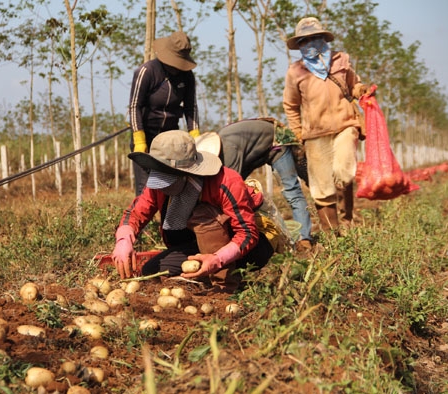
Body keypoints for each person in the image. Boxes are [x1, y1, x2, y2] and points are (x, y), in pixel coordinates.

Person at [111, 130, 274, 292]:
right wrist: (124, 240)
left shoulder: (226, 182)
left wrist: (217, 260)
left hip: (250, 246)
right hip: (197, 245)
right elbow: (137, 212)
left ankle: (225, 288)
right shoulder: (160, 186)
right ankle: (205, 276)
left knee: (203, 214)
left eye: (168, 180)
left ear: (185, 174)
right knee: (151, 271)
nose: (163, 187)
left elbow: (247, 233)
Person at [283, 17, 368, 233]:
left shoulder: (341, 62)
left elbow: (354, 84)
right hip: (314, 134)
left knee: (343, 169)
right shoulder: (296, 72)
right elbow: (291, 105)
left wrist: (360, 90)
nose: (310, 43)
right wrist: (297, 132)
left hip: (345, 125)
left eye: (315, 38)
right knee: (321, 187)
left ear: (323, 39)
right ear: (299, 44)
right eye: (304, 40)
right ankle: (333, 232)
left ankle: (347, 216)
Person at [195, 118, 313, 251]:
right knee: (245, 194)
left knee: (291, 191)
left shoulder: (228, 151)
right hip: (254, 152)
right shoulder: (222, 149)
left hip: (276, 142)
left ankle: (304, 239)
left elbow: (231, 192)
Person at [128, 31, 200, 196]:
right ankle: (142, 221)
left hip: (170, 138)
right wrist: (139, 140)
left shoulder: (187, 77)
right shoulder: (146, 71)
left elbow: (191, 108)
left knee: (169, 185)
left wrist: (196, 136)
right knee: (144, 187)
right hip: (145, 134)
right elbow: (134, 106)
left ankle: (167, 221)